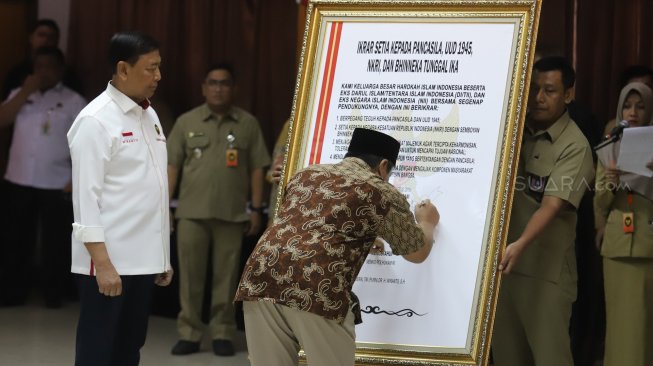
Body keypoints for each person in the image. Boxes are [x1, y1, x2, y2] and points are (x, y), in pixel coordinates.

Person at [235, 128, 440, 366]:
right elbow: (416, 252)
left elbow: (308, 224)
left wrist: (365, 236)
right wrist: (427, 222)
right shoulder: (380, 190)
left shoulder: (306, 174)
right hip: (316, 284)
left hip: (260, 277)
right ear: (383, 166)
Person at [67, 31, 172, 366]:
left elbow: (152, 187)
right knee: (99, 350)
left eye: (159, 67)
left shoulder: (149, 115)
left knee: (129, 348)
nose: (158, 76)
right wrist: (105, 265)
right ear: (123, 69)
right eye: (151, 68)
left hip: (142, 259)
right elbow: (86, 201)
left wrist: (162, 256)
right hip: (108, 263)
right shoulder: (95, 120)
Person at [492, 56, 595, 366]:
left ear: (568, 95)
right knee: (508, 357)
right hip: (503, 271)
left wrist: (520, 245)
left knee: (551, 358)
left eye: (549, 90)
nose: (538, 98)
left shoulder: (574, 145)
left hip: (545, 275)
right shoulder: (510, 130)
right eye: (534, 88)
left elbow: (551, 205)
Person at [167, 63, 271, 357]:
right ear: (203, 88)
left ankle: (223, 332)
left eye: (224, 83)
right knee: (190, 277)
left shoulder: (247, 123)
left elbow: (257, 168)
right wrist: (164, 206)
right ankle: (189, 332)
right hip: (190, 212)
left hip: (232, 213)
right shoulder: (187, 122)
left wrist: (256, 208)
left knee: (226, 278)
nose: (218, 88)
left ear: (233, 88)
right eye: (212, 82)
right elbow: (172, 165)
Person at [0, 46, 86, 308]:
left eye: (49, 66)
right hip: (19, 178)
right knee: (16, 238)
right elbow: (2, 119)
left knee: (55, 241)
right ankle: (13, 290)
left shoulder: (74, 101)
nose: (43, 72)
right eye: (38, 66)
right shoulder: (20, 94)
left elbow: (85, 143)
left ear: (60, 70)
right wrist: (25, 91)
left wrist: (78, 177)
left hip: (57, 179)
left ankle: (53, 291)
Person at [594, 81, 653, 366]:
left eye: (640, 107)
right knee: (618, 322)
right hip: (617, 245)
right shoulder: (610, 143)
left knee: (643, 325)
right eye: (628, 106)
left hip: (648, 245)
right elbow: (600, 204)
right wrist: (610, 181)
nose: (633, 112)